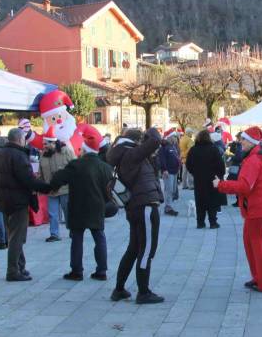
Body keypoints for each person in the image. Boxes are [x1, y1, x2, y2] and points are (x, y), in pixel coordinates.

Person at [107, 127, 166, 304]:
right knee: (146, 250)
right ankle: (143, 291)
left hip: (136, 207)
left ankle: (119, 289)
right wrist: (150, 131)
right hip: (145, 206)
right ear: (137, 142)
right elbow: (155, 140)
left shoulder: (124, 154)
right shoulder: (131, 154)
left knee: (134, 249)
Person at [215, 127, 262, 292]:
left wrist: (220, 185)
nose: (240, 142)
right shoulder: (257, 156)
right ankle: (259, 278)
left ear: (252, 142)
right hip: (257, 206)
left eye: (243, 139)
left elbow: (244, 186)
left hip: (257, 207)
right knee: (250, 242)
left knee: (256, 243)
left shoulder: (253, 160)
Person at [0, 127, 52, 282]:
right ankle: (12, 271)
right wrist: (46, 187)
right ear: (19, 139)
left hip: (2, 199)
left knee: (13, 234)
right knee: (17, 237)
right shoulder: (18, 155)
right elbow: (27, 179)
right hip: (17, 200)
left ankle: (20, 267)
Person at [52, 127, 113, 282]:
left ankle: (77, 271)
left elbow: (59, 179)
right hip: (97, 207)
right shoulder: (105, 168)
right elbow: (111, 189)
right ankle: (101, 270)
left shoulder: (75, 165)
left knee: (77, 239)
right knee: (99, 237)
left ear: (84, 150)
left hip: (77, 207)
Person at [185, 128, 225, 229]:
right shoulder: (214, 149)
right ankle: (213, 222)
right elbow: (221, 165)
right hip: (212, 180)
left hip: (199, 180)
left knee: (200, 201)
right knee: (212, 201)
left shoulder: (193, 150)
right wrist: (219, 175)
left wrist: (194, 173)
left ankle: (200, 222)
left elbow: (188, 164)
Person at [39, 136, 75, 243]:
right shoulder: (43, 155)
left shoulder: (66, 151)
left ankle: (72, 230)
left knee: (67, 211)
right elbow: (41, 173)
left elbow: (75, 166)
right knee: (52, 213)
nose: (43, 146)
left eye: (46, 144)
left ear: (53, 143)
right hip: (51, 190)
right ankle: (54, 234)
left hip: (65, 189)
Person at [159, 130, 182, 216]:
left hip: (174, 171)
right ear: (169, 137)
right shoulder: (164, 147)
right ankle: (168, 207)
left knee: (172, 190)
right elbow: (162, 159)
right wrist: (164, 169)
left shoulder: (173, 146)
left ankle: (170, 206)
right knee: (169, 190)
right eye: (174, 137)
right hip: (168, 172)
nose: (175, 138)